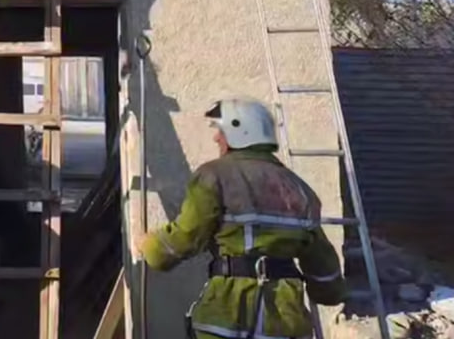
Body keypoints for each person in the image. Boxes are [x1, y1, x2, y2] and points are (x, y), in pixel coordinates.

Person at [138, 97, 348, 339]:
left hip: (228, 319)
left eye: (221, 132)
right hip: (285, 323)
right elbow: (327, 282)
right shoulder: (301, 190)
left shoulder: (214, 176)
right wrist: (332, 290)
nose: (217, 138)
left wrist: (149, 245)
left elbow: (181, 242)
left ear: (241, 132)